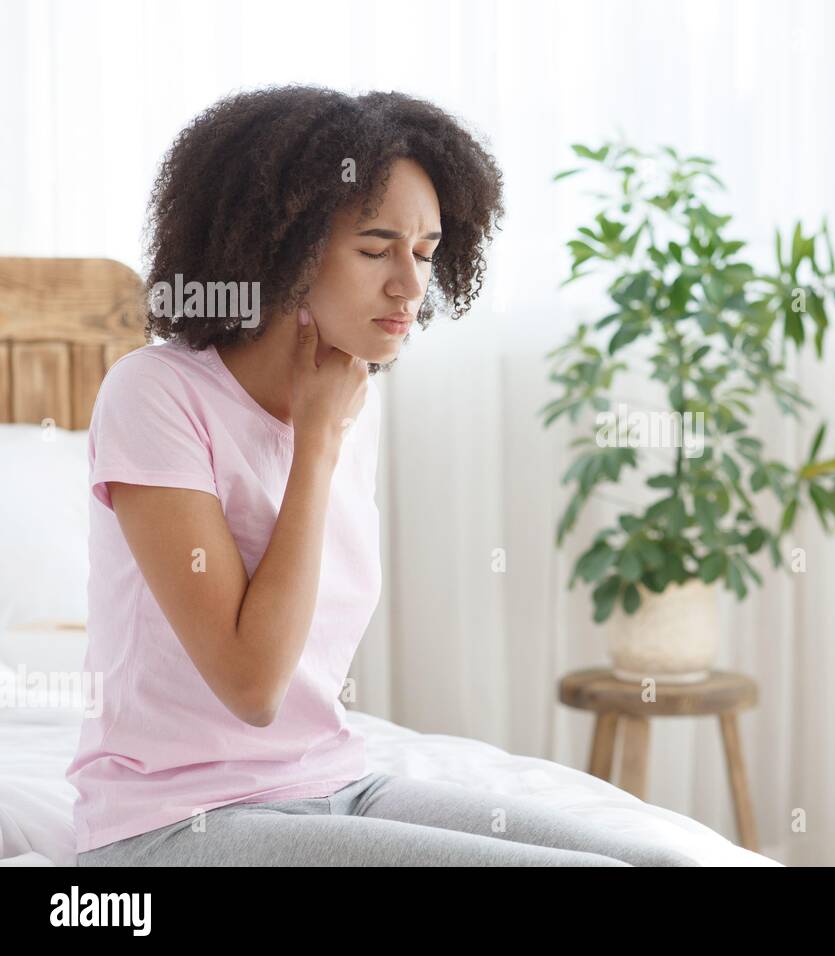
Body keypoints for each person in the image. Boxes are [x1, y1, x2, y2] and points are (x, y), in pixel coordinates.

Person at [68, 85, 698, 867]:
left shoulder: (346, 395)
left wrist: (326, 426)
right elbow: (253, 686)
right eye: (375, 249)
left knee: (668, 862)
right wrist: (316, 445)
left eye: (427, 253)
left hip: (334, 781)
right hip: (175, 822)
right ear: (282, 250)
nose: (409, 285)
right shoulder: (155, 393)